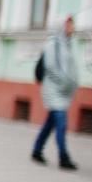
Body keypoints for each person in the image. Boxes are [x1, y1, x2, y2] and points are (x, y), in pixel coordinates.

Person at [31, 15, 79, 170]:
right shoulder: (52, 44)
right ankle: (63, 157)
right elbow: (51, 67)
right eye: (69, 24)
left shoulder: (67, 44)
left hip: (63, 91)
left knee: (50, 123)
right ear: (62, 26)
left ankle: (37, 150)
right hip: (53, 90)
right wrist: (65, 83)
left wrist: (72, 84)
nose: (72, 27)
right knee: (61, 123)